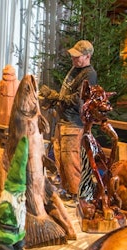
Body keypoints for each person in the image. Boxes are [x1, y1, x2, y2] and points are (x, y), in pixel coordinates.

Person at [39, 40, 97, 200]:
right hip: (63, 121)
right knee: (60, 156)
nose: (74, 59)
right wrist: (54, 98)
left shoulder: (89, 74)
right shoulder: (75, 69)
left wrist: (56, 96)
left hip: (73, 123)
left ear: (87, 56)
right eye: (73, 56)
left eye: (77, 57)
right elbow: (67, 93)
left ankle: (77, 194)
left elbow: (79, 99)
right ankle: (67, 190)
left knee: (71, 159)